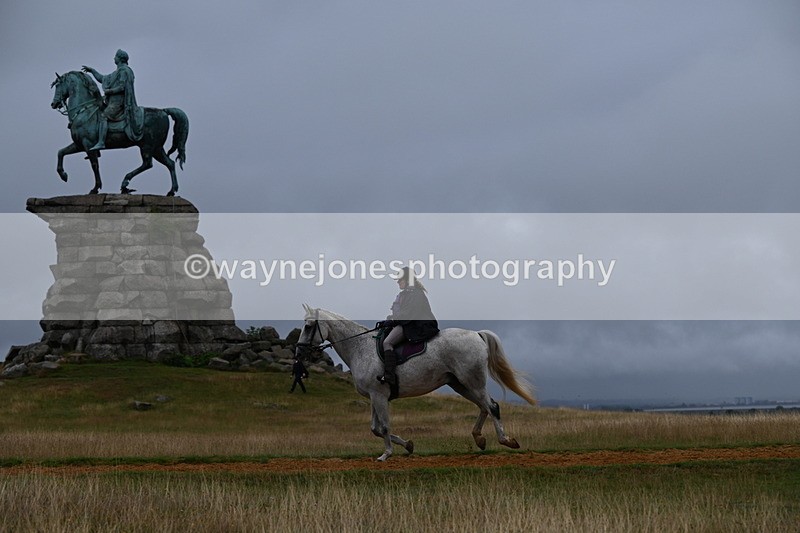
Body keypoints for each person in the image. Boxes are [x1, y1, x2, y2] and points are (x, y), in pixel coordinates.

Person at [377, 266, 439, 388]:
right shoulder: (406, 294)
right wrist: (389, 320)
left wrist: (393, 321)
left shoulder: (416, 294)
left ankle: (390, 376)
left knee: (387, 343)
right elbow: (402, 313)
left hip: (416, 325)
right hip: (408, 322)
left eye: (400, 279)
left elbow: (409, 314)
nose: (398, 282)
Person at [82, 49, 144, 150]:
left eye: (115, 56)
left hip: (119, 103)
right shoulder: (117, 72)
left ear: (119, 59)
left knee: (103, 116)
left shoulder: (124, 71)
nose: (114, 58)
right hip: (112, 101)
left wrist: (109, 91)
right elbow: (102, 78)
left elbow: (122, 87)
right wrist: (92, 71)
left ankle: (101, 142)